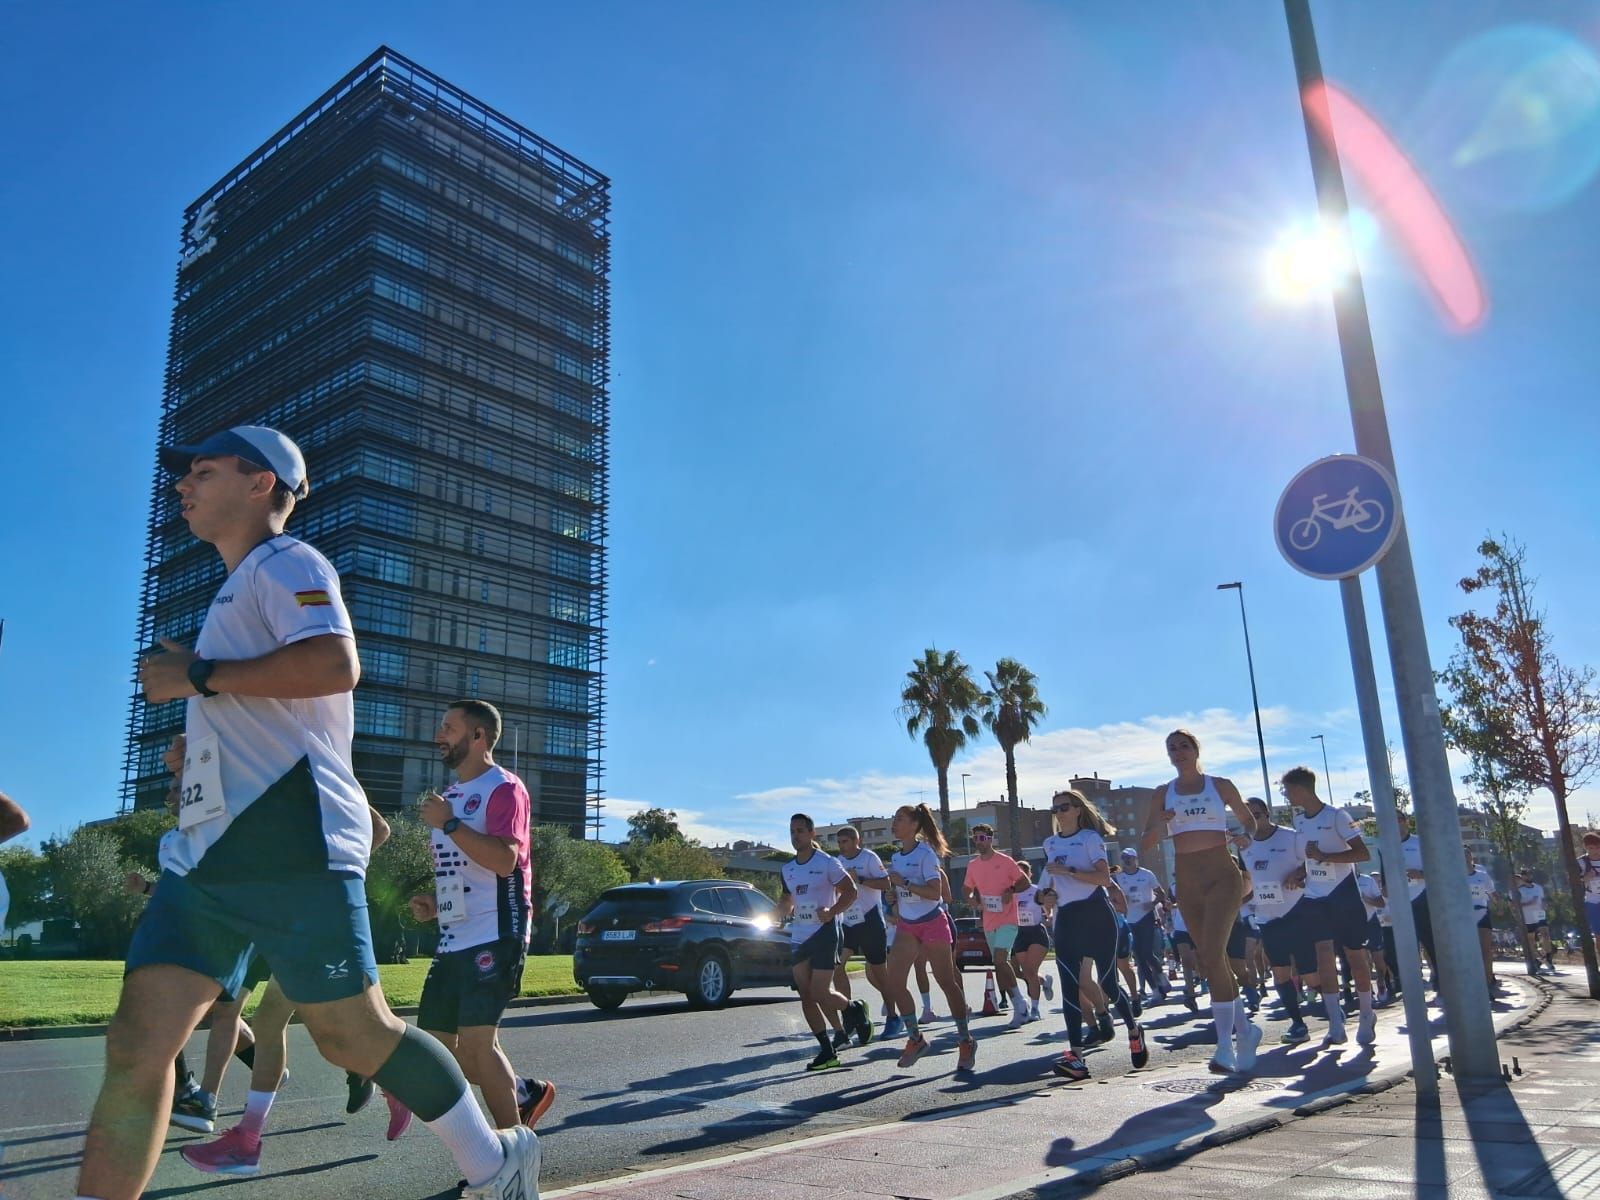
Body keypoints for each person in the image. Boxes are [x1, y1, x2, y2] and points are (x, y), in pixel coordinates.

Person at [80, 425, 538, 1200]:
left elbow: (334, 665)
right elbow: (258, 715)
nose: (183, 486)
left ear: (261, 484)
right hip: (205, 862)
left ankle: (497, 1160)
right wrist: (196, 751)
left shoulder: (288, 561)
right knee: (136, 1044)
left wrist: (195, 675)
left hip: (292, 845)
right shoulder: (231, 593)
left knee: (351, 1034)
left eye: (202, 470)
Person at [1140, 730, 1257, 1073]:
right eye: (1172, 748)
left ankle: (1224, 1047)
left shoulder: (1219, 785)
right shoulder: (1163, 794)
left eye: (1184, 746)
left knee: (1211, 953)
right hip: (1187, 880)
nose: (1178, 752)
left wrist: (1244, 836)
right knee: (1210, 961)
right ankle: (1245, 1030)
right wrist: (1159, 826)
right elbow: (1146, 843)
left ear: (1196, 750)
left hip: (1222, 873)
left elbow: (1248, 819)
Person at [1041, 789, 1149, 1081]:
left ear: (1077, 810)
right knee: (1069, 986)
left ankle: (1133, 1029)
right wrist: (1046, 898)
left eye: (1064, 807)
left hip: (1097, 915)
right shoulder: (1049, 843)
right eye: (1055, 809)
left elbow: (1103, 878)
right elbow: (1046, 886)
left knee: (1108, 984)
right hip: (1067, 919)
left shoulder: (1090, 839)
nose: (1060, 813)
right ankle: (1076, 1056)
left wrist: (1070, 871)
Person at [1283, 767, 1376, 1047]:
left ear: (1301, 789)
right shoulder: (1298, 821)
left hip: (1343, 893)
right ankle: (1335, 1022)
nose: (1286, 795)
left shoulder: (1337, 816)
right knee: (1324, 956)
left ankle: (1366, 1014)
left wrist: (1325, 855)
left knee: (1355, 956)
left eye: (1288, 790)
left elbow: (1362, 852)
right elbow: (1307, 858)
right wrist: (1299, 873)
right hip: (1314, 896)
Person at [882, 804, 977, 1072]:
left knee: (946, 981)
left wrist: (905, 884)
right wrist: (893, 895)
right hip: (908, 925)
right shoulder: (898, 857)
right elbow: (901, 890)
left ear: (914, 825)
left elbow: (936, 893)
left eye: (899, 818)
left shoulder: (926, 854)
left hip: (933, 922)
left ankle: (965, 1040)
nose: (894, 822)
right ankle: (916, 1038)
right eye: (893, 817)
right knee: (894, 982)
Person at [777, 813, 862, 1070]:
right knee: (805, 994)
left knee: (819, 992)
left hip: (824, 933)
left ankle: (853, 1008)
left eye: (801, 831)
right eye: (792, 832)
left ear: (812, 834)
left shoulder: (827, 863)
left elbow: (851, 891)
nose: (796, 836)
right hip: (799, 935)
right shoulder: (787, 869)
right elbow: (787, 900)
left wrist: (832, 912)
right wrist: (778, 912)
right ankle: (827, 1049)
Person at [1241, 796, 1315, 1046]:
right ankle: (1298, 1024)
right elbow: (1247, 881)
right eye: (1248, 816)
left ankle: (1335, 1014)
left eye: (1257, 814)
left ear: (1267, 813)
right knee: (1280, 973)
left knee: (1311, 975)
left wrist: (1299, 873)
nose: (1253, 820)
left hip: (1297, 910)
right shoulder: (1244, 846)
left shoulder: (1290, 837)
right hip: (1267, 917)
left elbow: (1311, 862)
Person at [961, 823, 1031, 1028]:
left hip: (1008, 919)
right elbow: (966, 890)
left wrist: (1010, 889)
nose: (979, 842)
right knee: (1000, 964)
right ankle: (1020, 1001)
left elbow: (1024, 882)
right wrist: (972, 899)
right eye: (975, 838)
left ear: (991, 839)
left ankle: (1019, 1005)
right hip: (989, 920)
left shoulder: (1005, 861)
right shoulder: (973, 865)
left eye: (982, 838)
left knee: (1000, 958)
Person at [832, 825, 891, 1039]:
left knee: (879, 973)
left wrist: (861, 879)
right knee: (838, 968)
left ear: (856, 841)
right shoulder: (838, 862)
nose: (841, 846)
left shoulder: (869, 858)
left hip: (871, 920)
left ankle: (893, 1016)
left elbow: (887, 883)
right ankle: (849, 1015)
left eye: (845, 841)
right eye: (838, 842)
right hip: (848, 921)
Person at [1117, 848, 1169, 1004]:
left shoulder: (1146, 874)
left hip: (1146, 917)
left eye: (1130, 858)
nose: (1127, 861)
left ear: (1136, 859)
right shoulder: (1119, 878)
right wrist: (1122, 900)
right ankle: (1154, 990)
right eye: (1124, 858)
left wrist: (1152, 904)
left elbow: (1161, 893)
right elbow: (1114, 898)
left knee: (1147, 952)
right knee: (1139, 957)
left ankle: (1161, 976)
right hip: (1129, 920)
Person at [1011, 861, 1054, 1021]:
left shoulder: (1035, 891)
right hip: (1019, 934)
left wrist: (1049, 915)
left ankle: (1035, 1009)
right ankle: (1044, 980)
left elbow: (1048, 907)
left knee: (1030, 971)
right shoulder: (1012, 892)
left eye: (1022, 873)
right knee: (1028, 973)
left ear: (1028, 875)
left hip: (1036, 933)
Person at [1399, 815, 1437, 988]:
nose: (1396, 824)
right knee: (1406, 947)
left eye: (1399, 820)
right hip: (1400, 901)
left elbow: (1437, 869)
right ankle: (1413, 984)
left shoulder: (1419, 843)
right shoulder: (1385, 846)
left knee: (1430, 942)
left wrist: (1421, 875)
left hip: (1423, 896)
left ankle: (1439, 979)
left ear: (1405, 822)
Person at [1359, 871, 1396, 1003]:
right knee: (1361, 962)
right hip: (1354, 925)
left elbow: (1381, 903)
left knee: (1379, 960)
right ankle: (1368, 992)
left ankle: (1381, 983)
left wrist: (1366, 899)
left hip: (1371, 923)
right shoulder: (1341, 880)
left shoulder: (1367, 880)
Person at [1465, 848, 1497, 989]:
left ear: (1472, 858)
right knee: (1469, 950)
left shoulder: (1483, 876)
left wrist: (1498, 903)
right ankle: (1473, 979)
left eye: (1467, 854)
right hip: (1463, 916)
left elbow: (1493, 894)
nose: (1465, 857)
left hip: (1482, 912)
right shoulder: (1454, 877)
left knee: (1485, 950)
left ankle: (1488, 979)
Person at [1514, 869, 1555, 974]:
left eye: (1530, 874)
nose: (1529, 877)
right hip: (1528, 917)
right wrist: (1529, 903)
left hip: (1540, 914)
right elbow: (1516, 905)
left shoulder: (1538, 887)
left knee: (1545, 934)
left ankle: (1548, 956)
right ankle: (1536, 960)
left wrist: (1545, 904)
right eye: (1526, 875)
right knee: (1531, 940)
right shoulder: (1518, 890)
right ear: (1522, 877)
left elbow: (1543, 899)